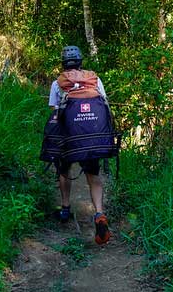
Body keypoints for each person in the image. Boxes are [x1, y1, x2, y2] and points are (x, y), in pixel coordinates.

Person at [48, 45, 112, 245]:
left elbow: (55, 111)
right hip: (93, 136)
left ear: (63, 63)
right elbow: (105, 103)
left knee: (64, 169)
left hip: (70, 138)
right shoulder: (94, 79)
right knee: (93, 175)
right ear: (80, 61)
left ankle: (65, 208)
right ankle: (99, 213)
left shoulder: (58, 83)